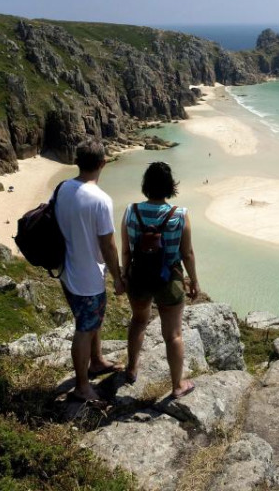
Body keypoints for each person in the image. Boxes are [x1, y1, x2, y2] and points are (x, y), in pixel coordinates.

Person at [121, 162, 200, 399]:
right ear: (170, 186)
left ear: (146, 185)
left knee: (138, 321)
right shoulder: (180, 214)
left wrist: (125, 276)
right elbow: (187, 254)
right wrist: (194, 281)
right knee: (173, 334)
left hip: (138, 278)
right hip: (170, 280)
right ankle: (177, 386)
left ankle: (132, 369)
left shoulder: (131, 211)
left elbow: (126, 250)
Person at [55, 140, 125, 403]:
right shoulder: (101, 200)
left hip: (66, 270)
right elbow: (108, 245)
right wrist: (118, 277)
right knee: (84, 329)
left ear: (77, 162)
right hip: (88, 277)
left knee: (91, 321)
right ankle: (82, 386)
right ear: (103, 163)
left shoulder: (61, 188)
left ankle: (96, 361)